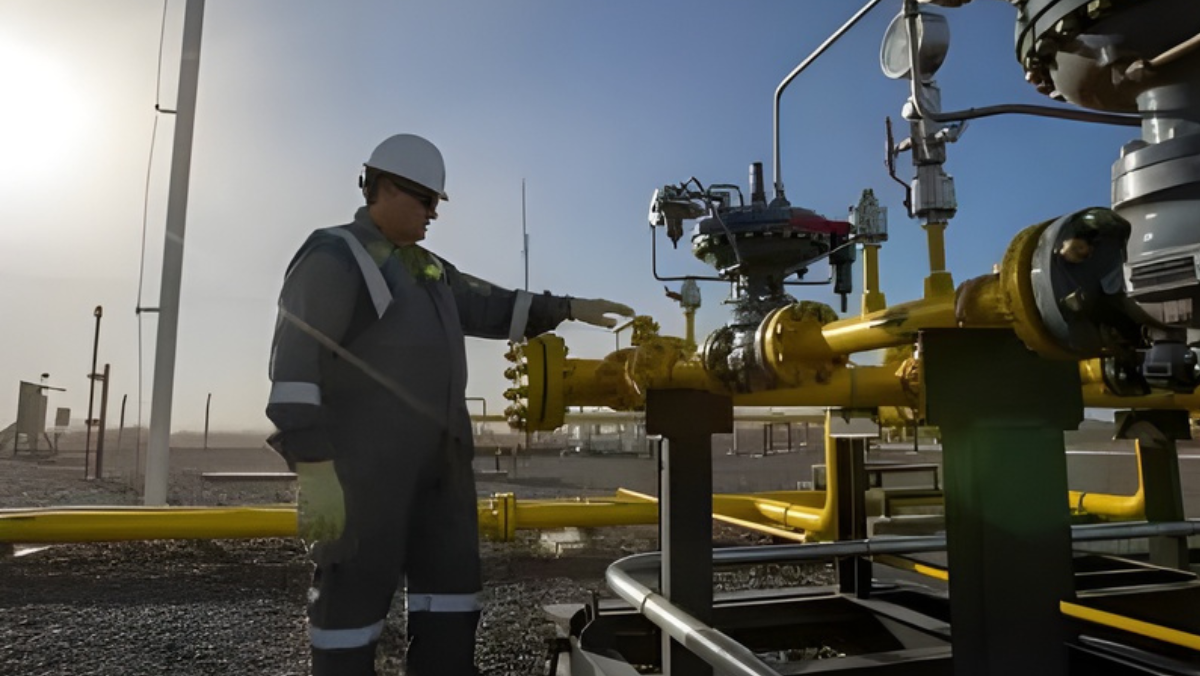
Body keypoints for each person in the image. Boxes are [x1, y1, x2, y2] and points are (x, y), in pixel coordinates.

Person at [265, 133, 634, 676]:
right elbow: (294, 370)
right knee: (351, 610)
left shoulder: (426, 268)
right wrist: (316, 469)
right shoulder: (335, 256)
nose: (435, 213)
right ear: (383, 189)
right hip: (364, 473)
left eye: (437, 202)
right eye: (425, 200)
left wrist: (570, 307)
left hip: (441, 469)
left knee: (451, 600)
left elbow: (491, 304)